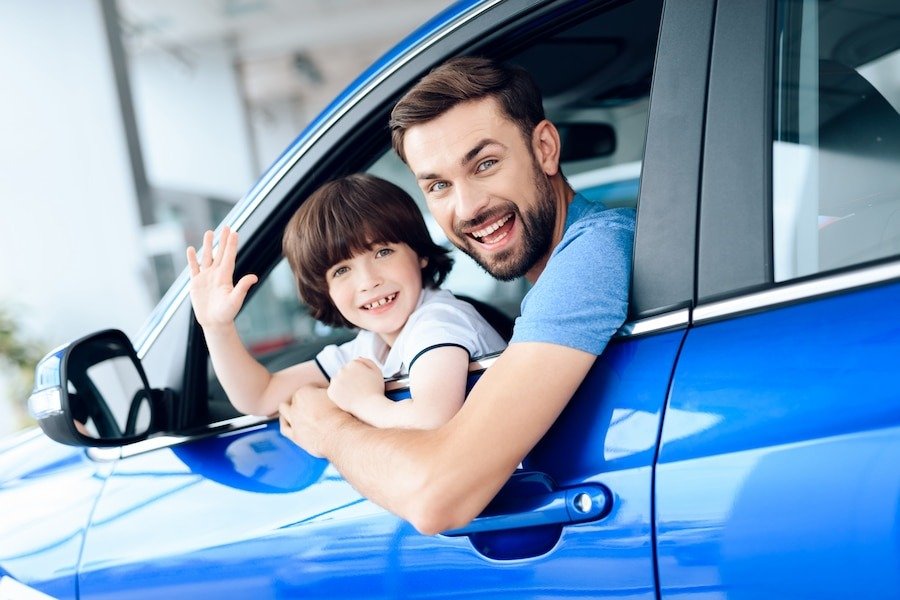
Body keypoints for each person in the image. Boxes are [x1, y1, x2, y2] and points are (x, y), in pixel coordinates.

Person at [278, 56, 635, 535]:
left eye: (485, 164)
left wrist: (330, 430)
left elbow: (437, 498)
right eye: (440, 185)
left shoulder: (590, 256)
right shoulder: (560, 271)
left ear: (545, 148)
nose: (467, 208)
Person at [186, 173, 506, 430]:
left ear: (419, 253)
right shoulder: (369, 347)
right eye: (341, 270)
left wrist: (363, 402)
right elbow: (261, 396)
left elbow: (432, 421)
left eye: (383, 252)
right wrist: (217, 328)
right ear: (325, 291)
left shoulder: (439, 322)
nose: (368, 281)